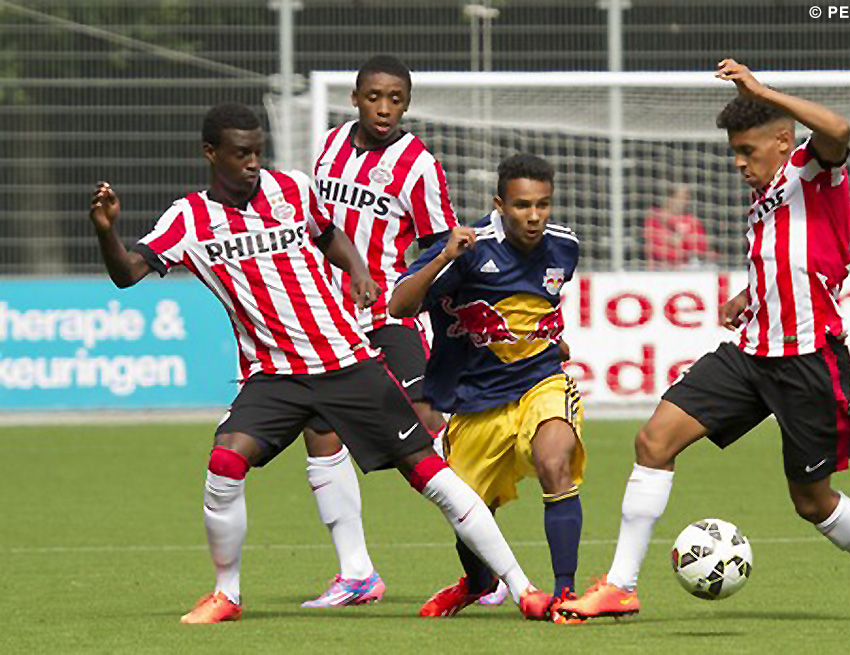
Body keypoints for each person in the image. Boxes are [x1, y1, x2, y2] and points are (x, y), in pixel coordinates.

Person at [87, 103, 555, 624]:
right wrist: (108, 230)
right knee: (225, 462)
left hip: (346, 361)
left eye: (258, 152)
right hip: (275, 376)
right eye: (241, 154)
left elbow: (328, 233)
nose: (253, 163)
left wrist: (357, 269)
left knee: (428, 474)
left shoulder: (291, 188)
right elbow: (128, 273)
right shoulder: (188, 220)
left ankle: (522, 587)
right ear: (210, 153)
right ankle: (227, 595)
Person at [556, 60, 850, 622]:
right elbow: (791, 261)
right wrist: (750, 296)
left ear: (782, 141)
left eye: (748, 151)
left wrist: (762, 90)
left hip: (808, 360)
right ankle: (621, 586)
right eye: (735, 152)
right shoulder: (767, 198)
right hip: (751, 355)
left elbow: (840, 131)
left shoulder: (811, 170)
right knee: (654, 442)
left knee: (812, 502)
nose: (738, 163)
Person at [390, 153, 586, 620]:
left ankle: (565, 593)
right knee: (470, 513)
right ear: (500, 203)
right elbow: (399, 306)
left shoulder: (565, 247)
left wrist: (547, 340)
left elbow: (539, 305)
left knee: (554, 460)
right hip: (475, 400)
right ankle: (477, 583)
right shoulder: (468, 248)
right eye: (521, 205)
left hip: (540, 383)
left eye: (543, 204)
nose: (534, 216)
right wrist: (442, 257)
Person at [299, 54, 458, 608]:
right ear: (355, 98)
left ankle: (481, 561)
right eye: (374, 97)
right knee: (320, 428)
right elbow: (316, 225)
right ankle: (356, 572)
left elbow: (441, 244)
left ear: (407, 103)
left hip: (390, 314)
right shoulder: (329, 145)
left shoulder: (417, 164)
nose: (384, 108)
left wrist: (421, 296)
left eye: (395, 99)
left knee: (426, 421)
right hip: (329, 316)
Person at [643, 183, 716, 269]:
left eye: (687, 198)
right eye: (682, 198)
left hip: (687, 267)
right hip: (661, 269)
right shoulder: (654, 216)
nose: (686, 202)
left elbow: (703, 247)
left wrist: (678, 239)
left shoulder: (691, 220)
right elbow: (658, 250)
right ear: (670, 198)